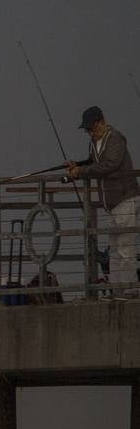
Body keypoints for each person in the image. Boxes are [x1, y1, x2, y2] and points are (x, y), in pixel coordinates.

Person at [67, 106, 140, 299]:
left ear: (101, 122)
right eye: (87, 129)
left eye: (91, 128)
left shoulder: (115, 139)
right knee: (115, 249)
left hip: (125, 198)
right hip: (111, 203)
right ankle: (118, 289)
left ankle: (131, 288)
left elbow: (110, 165)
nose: (90, 132)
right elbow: (94, 162)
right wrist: (79, 165)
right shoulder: (94, 143)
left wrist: (81, 172)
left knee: (126, 247)